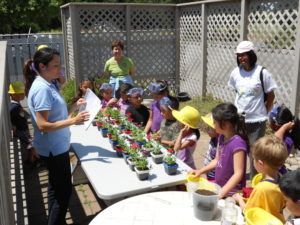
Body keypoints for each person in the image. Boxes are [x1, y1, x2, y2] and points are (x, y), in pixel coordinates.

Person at [24, 47, 89, 225]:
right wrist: (73, 121)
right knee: (64, 193)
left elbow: (56, 116)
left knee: (55, 187)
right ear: (42, 66)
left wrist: (74, 107)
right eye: (56, 65)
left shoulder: (48, 84)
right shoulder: (42, 89)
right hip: (54, 149)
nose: (60, 69)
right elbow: (43, 125)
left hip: (55, 146)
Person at [228, 40, 278, 179]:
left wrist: (264, 112)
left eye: (244, 55)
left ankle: (254, 180)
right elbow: (237, 92)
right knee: (238, 148)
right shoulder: (235, 73)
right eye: (239, 55)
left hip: (256, 120)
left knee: (255, 152)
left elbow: (270, 95)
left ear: (251, 55)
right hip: (239, 119)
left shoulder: (262, 73)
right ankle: (238, 176)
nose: (241, 58)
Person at [189, 103, 248, 198]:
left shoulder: (238, 143)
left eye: (215, 122)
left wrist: (221, 193)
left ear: (226, 124)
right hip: (220, 189)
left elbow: (238, 173)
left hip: (233, 194)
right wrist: (200, 171)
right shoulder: (221, 137)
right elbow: (217, 160)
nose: (213, 125)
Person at [233, 135, 288, 223]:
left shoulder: (261, 188)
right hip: (278, 220)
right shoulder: (283, 180)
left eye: (253, 159)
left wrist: (239, 199)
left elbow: (248, 212)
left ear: (260, 163)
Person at [8, 81, 39, 165]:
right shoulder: (15, 107)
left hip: (23, 129)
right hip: (21, 130)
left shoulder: (15, 104)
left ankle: (31, 159)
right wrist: (12, 126)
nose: (23, 95)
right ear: (13, 95)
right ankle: (33, 161)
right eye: (20, 93)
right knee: (32, 144)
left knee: (30, 144)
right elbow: (9, 116)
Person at [201, 113, 219, 181]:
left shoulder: (220, 143)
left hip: (215, 175)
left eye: (209, 128)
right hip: (209, 172)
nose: (206, 130)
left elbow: (217, 161)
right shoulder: (213, 138)